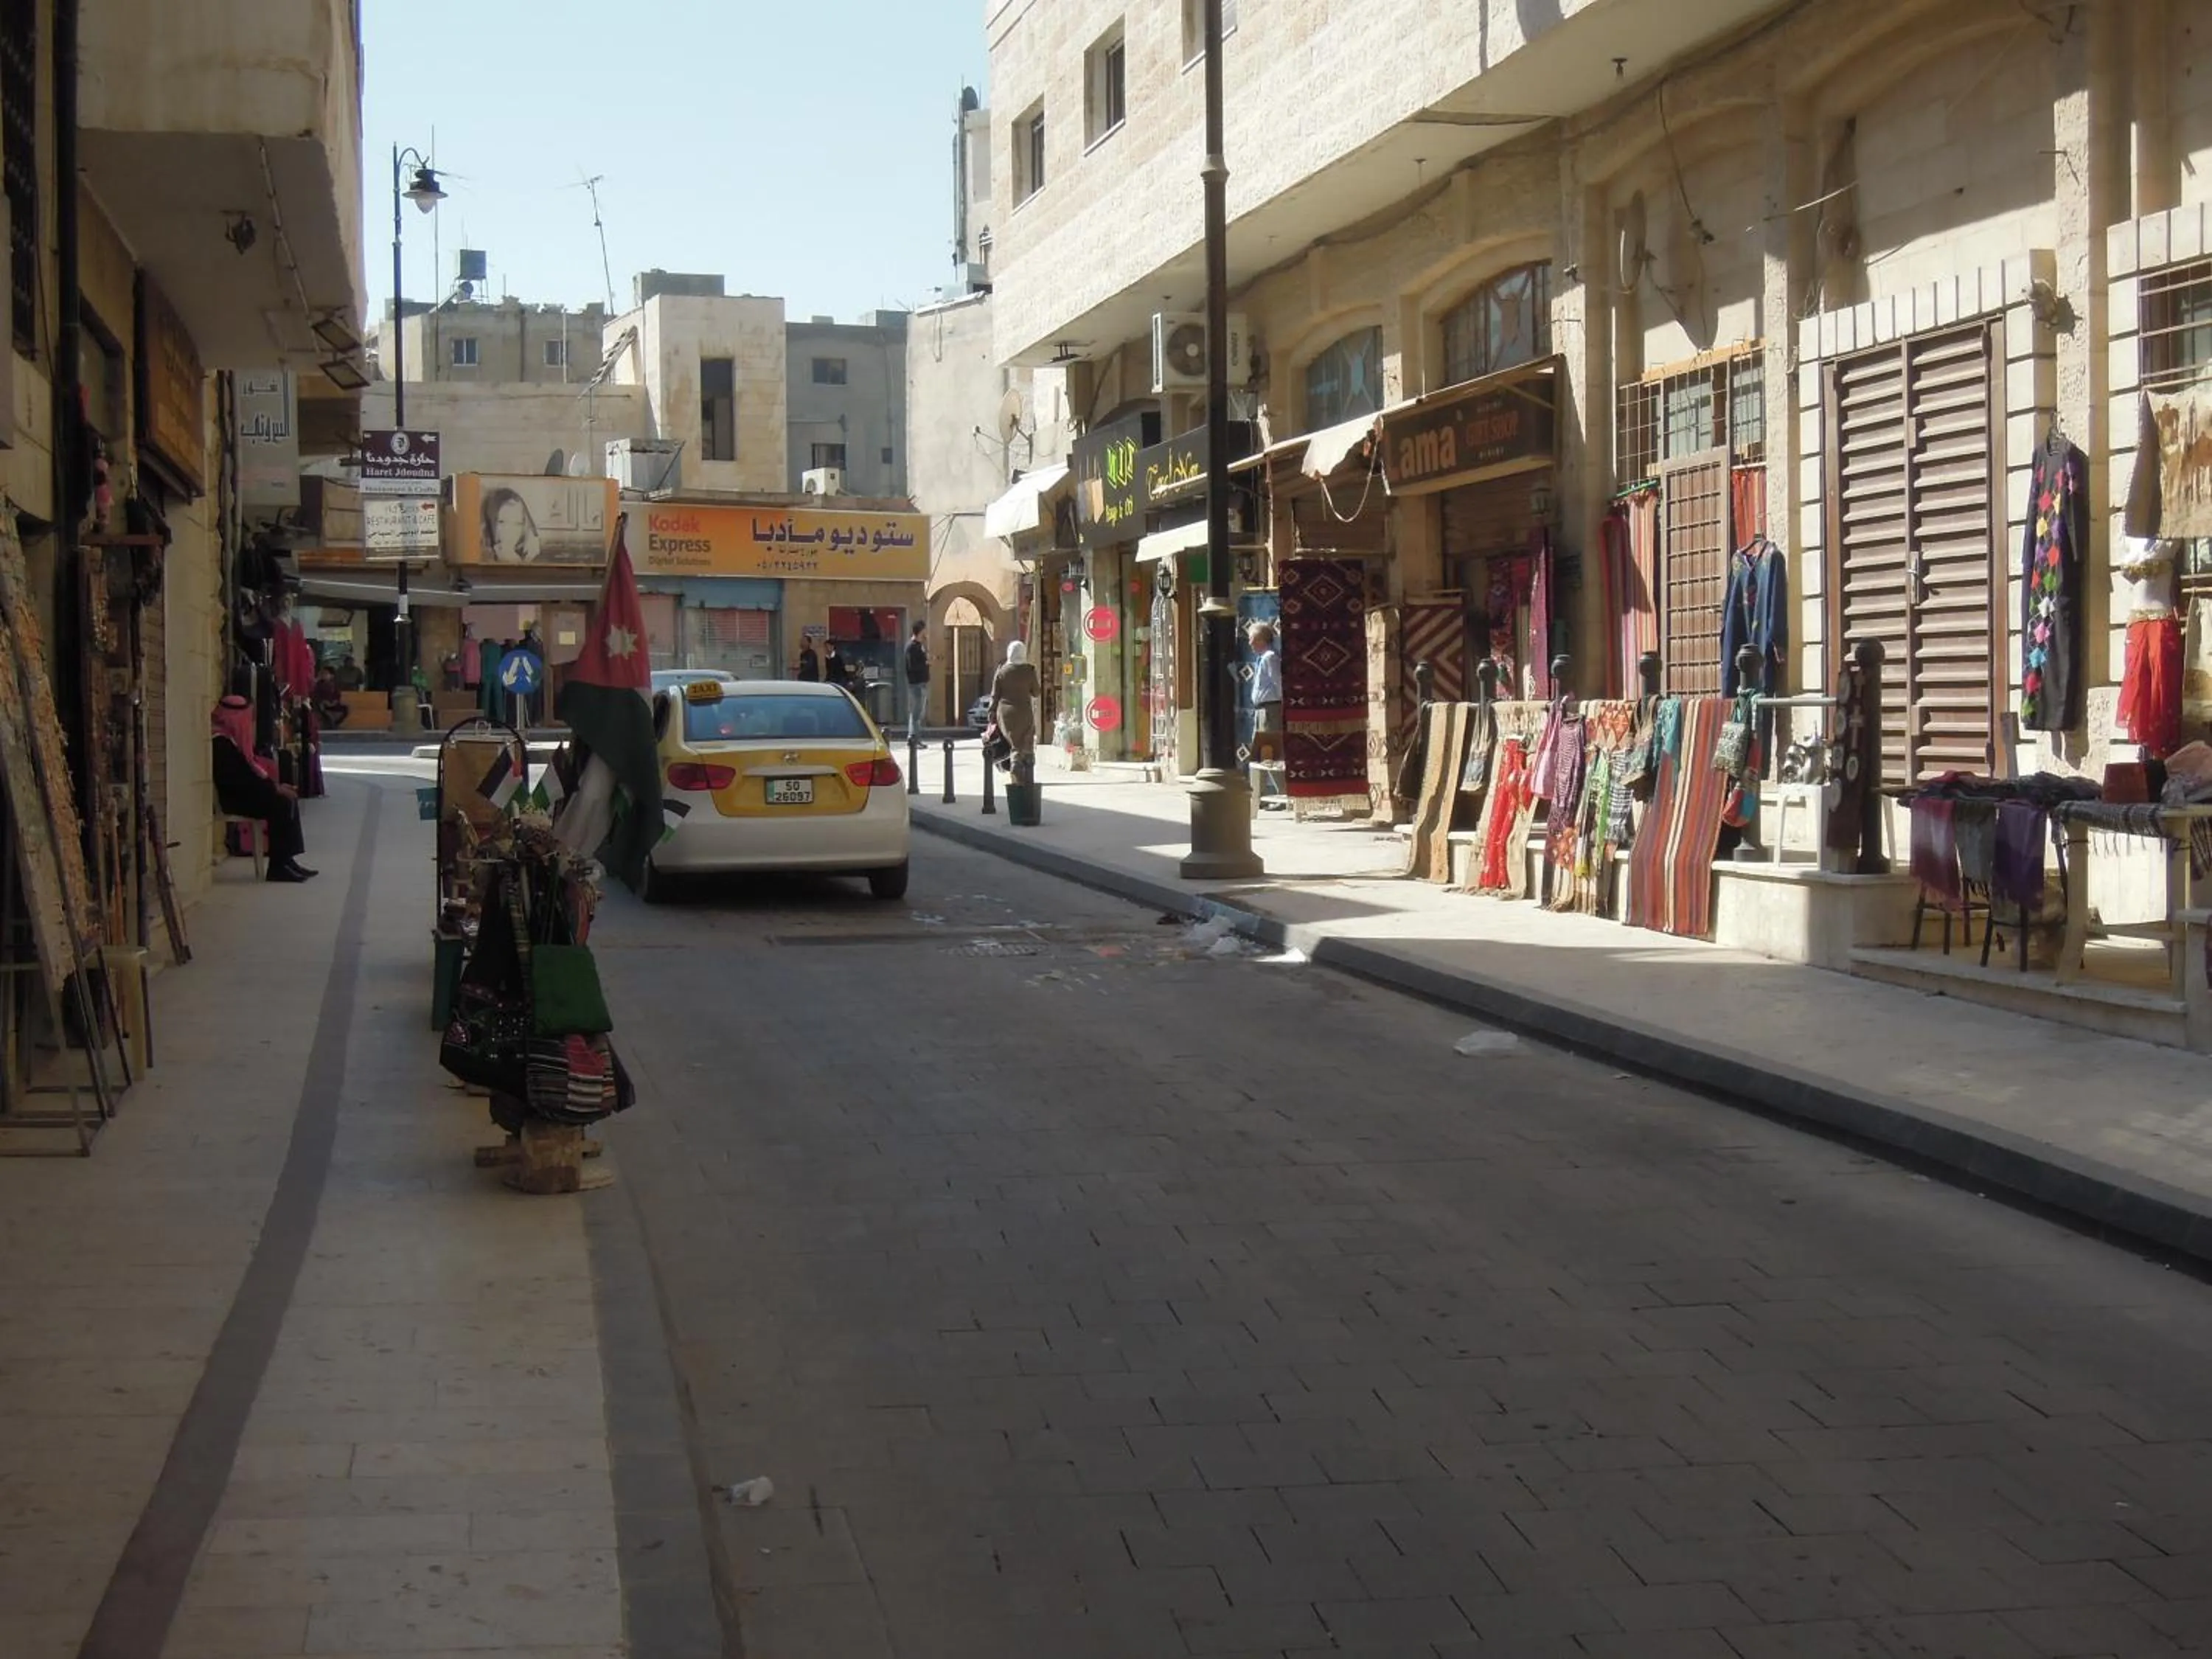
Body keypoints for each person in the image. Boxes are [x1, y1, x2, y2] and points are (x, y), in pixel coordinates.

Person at [211, 695, 316, 883]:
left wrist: (275, 786)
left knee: (288, 798)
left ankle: (286, 860)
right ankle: (278, 867)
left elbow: (249, 776)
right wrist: (273, 789)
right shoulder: (220, 743)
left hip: (246, 793)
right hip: (234, 799)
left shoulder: (230, 740)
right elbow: (237, 781)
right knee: (281, 804)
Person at [990, 639, 1041, 785]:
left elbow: (995, 694)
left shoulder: (1002, 671)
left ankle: (1015, 770)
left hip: (1006, 714)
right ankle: (1025, 769)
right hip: (1024, 712)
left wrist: (992, 711)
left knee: (1014, 744)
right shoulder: (1029, 671)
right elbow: (1036, 692)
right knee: (1026, 741)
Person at [1248, 622, 1284, 766]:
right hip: (1262, 710)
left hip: (1270, 709)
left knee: (1268, 751)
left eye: (1252, 639)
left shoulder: (1270, 658)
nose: (1250, 643)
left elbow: (1278, 682)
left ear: (1261, 640)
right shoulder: (1262, 659)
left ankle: (1273, 786)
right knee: (1260, 750)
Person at [481, 487, 542, 563]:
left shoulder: (524, 554)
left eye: (518, 524)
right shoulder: (483, 556)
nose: (510, 531)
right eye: (502, 522)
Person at [904, 621, 931, 739]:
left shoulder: (920, 646)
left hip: (922, 683)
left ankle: (915, 737)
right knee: (916, 713)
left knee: (919, 713)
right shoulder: (911, 647)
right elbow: (912, 666)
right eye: (924, 631)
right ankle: (913, 737)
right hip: (916, 684)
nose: (926, 633)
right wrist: (926, 663)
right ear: (920, 631)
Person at [313, 663, 347, 728]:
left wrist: (334, 702)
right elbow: (316, 695)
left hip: (332, 704)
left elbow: (337, 695)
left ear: (332, 676)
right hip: (321, 704)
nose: (323, 675)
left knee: (346, 708)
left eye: (326, 673)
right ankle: (327, 723)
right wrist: (323, 701)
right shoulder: (318, 685)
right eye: (322, 673)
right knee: (320, 707)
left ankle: (336, 723)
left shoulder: (335, 685)